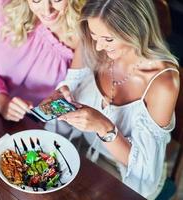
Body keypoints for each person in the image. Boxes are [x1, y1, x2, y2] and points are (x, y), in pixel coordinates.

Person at [45, 0, 180, 198]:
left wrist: (103, 127)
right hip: (81, 153)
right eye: (94, 35)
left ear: (135, 30)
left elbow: (144, 170)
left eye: (108, 39)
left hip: (127, 178)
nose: (98, 47)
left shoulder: (163, 83)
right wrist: (57, 102)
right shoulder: (91, 44)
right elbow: (66, 98)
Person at [0, 0, 83, 121]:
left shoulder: (87, 33)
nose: (47, 10)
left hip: (36, 122)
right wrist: (1, 100)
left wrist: (44, 113)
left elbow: (71, 100)